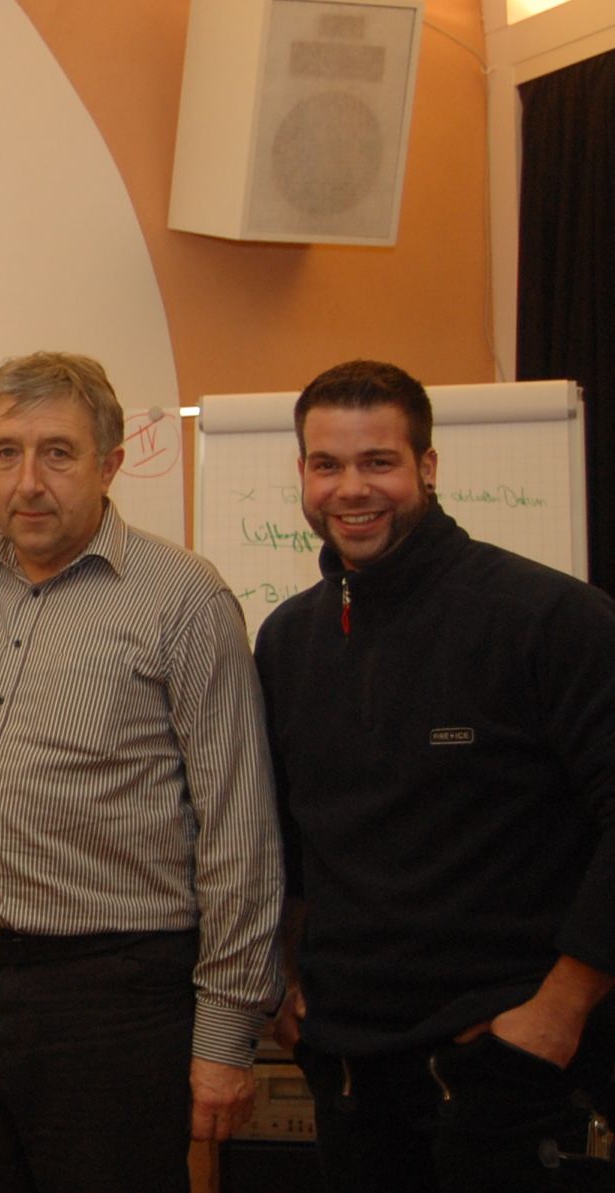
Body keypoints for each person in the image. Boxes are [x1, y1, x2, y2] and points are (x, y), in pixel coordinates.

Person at [0, 350, 282, 1192]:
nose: (28, 481)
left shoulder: (182, 597)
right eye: (5, 452)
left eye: (57, 453)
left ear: (109, 464)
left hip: (115, 1003)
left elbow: (238, 827)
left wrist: (225, 1037)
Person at [255, 360, 615, 1192]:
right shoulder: (288, 639)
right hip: (350, 1075)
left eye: (377, 461)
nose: (351, 489)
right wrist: (291, 983)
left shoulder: (548, 619)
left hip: (507, 1073)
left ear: (426, 466)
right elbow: (297, 839)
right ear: (302, 472)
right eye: (326, 464)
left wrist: (558, 1011)